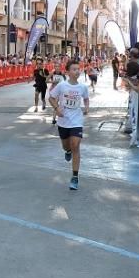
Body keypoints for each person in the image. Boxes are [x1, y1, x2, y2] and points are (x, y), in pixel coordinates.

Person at [49, 60, 90, 191]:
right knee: (66, 146)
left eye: (78, 69)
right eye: (74, 69)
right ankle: (67, 151)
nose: (77, 71)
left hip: (76, 121)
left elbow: (86, 98)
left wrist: (87, 108)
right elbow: (51, 97)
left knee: (76, 146)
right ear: (67, 72)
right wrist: (57, 108)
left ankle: (75, 177)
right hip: (63, 121)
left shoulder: (83, 87)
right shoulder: (62, 86)